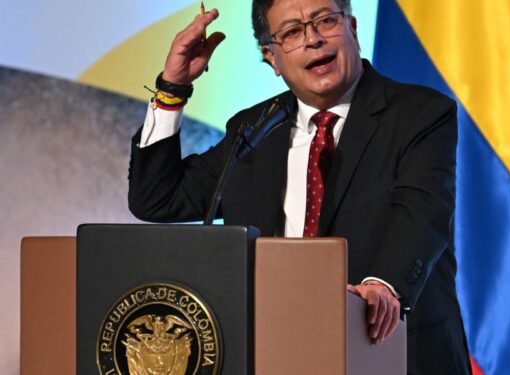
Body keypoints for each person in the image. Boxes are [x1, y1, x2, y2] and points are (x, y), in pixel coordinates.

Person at [128, 0, 471, 373]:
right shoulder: (253, 129)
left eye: (325, 20)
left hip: (394, 353)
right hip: (280, 355)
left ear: (352, 29)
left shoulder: (419, 113)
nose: (312, 39)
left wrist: (383, 285)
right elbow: (157, 199)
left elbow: (422, 211)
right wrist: (172, 88)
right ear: (271, 58)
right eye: (291, 32)